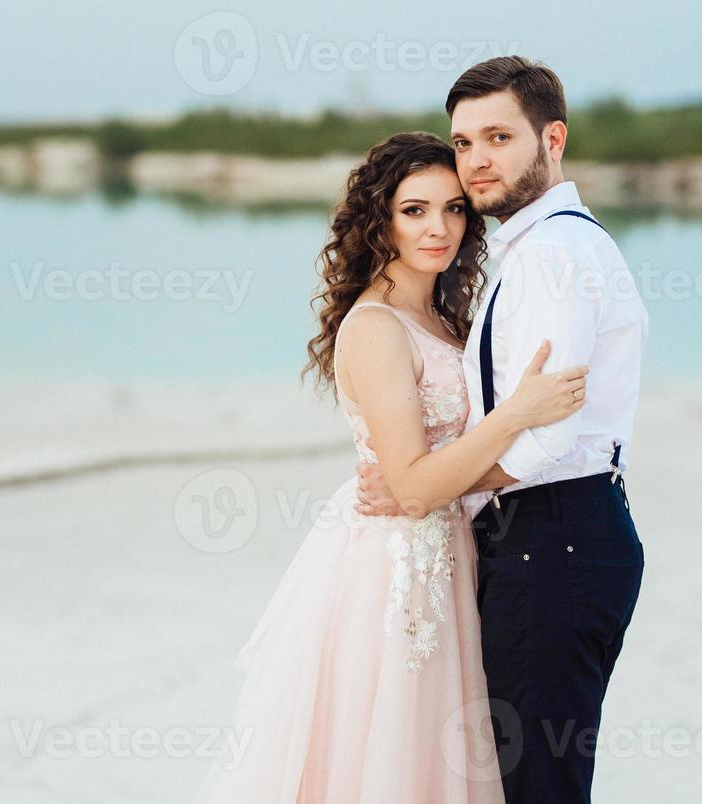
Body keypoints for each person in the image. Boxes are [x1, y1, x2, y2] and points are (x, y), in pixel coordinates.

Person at [193, 130, 589, 803]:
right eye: (415, 210)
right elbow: (409, 487)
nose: (439, 228)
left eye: (455, 208)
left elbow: (435, 470)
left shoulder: (443, 321)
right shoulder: (376, 327)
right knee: (387, 757)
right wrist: (517, 413)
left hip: (453, 558)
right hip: (393, 577)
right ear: (380, 220)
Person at [357, 57, 649, 804]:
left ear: (552, 139)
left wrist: (421, 484)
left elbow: (546, 440)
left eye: (498, 136)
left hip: (554, 538)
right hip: (553, 538)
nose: (477, 161)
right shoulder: (540, 248)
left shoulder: (551, 257)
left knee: (539, 786)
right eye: (464, 142)